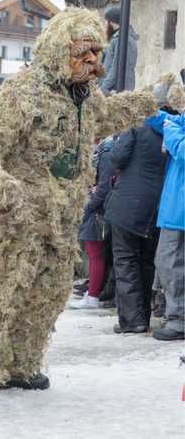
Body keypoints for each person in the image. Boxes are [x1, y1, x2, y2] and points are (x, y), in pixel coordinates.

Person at [0, 7, 182, 400]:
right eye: (82, 52)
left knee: (48, 292)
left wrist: (153, 98)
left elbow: (113, 112)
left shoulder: (84, 97)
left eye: (96, 53)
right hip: (21, 216)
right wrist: (0, 182)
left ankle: (17, 367)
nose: (91, 62)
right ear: (57, 50)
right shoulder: (24, 91)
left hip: (62, 217)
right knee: (0, 291)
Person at [104, 115, 169, 334]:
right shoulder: (173, 127)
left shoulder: (136, 125)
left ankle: (132, 320)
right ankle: (142, 316)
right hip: (158, 205)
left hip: (128, 202)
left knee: (125, 259)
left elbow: (117, 159)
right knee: (146, 261)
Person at [145, 92, 185, 341]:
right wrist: (141, 105)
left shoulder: (177, 128)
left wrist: (170, 130)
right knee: (169, 265)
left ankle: (179, 320)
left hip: (179, 212)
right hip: (175, 210)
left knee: (170, 265)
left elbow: (181, 149)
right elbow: (162, 121)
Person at [69, 136, 117, 309]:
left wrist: (86, 204)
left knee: (95, 255)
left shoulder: (105, 153)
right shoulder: (105, 151)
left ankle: (93, 295)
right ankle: (92, 293)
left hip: (97, 211)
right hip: (97, 208)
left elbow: (104, 187)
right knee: (94, 255)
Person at [100, 6, 138, 93]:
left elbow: (116, 67)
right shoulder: (116, 38)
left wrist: (104, 88)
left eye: (106, 21)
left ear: (112, 22)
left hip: (118, 88)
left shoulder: (123, 39)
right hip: (112, 86)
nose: (105, 23)